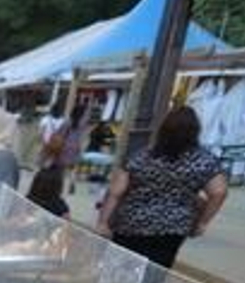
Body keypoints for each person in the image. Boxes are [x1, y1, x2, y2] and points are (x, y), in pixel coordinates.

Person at [96, 105, 228, 272]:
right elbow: (219, 192)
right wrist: (202, 222)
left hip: (131, 222)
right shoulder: (204, 161)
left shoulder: (142, 156)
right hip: (173, 227)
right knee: (154, 274)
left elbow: (116, 191)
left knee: (119, 272)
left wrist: (103, 221)